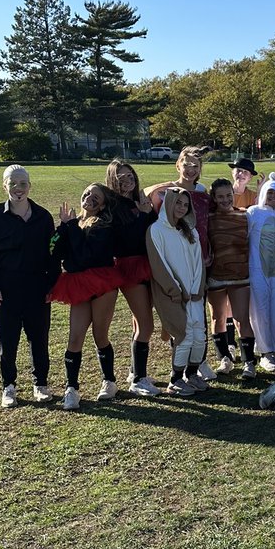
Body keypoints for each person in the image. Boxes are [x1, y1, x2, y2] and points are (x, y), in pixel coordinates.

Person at [0, 165, 58, 408]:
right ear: (4, 186)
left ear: (30, 186)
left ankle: (40, 384)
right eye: (13, 183)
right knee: (8, 340)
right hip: (6, 289)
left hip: (37, 288)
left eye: (23, 183)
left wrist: (50, 284)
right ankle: (8, 386)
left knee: (39, 338)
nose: (18, 188)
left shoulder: (43, 217)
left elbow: (52, 254)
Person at [49, 184, 122, 411]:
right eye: (88, 192)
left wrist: (70, 226)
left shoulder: (104, 226)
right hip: (78, 285)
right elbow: (53, 249)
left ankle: (109, 381)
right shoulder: (74, 222)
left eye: (96, 197)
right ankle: (72, 388)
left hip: (102, 284)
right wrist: (62, 227)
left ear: (102, 204)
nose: (89, 198)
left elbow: (85, 257)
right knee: (75, 338)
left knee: (100, 335)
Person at [146, 188, 208, 395]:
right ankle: (175, 379)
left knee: (199, 334)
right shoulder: (156, 230)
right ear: (168, 203)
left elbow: (198, 261)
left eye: (185, 204)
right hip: (172, 294)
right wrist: (176, 290)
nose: (181, 208)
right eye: (178, 203)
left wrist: (197, 287)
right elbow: (159, 263)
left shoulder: (190, 230)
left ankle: (191, 374)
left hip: (194, 294)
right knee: (184, 334)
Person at [105, 159, 159, 396]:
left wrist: (147, 212)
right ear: (112, 181)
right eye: (121, 178)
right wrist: (143, 215)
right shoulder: (114, 206)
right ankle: (138, 379)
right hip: (130, 265)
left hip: (147, 263)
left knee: (140, 321)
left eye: (130, 176)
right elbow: (126, 239)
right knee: (146, 323)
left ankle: (135, 370)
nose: (127, 181)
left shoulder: (139, 202)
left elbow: (153, 228)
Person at [206, 178, 256, 378]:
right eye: (220, 196)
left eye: (228, 195)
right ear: (214, 198)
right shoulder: (208, 218)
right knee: (218, 318)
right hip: (216, 277)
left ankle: (249, 362)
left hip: (240, 277)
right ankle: (224, 358)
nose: (225, 200)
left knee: (241, 319)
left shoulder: (244, 215)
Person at [247, 174, 275, 372]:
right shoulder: (253, 213)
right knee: (260, 309)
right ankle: (265, 351)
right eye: (269, 192)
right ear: (263, 193)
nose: (273, 196)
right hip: (258, 270)